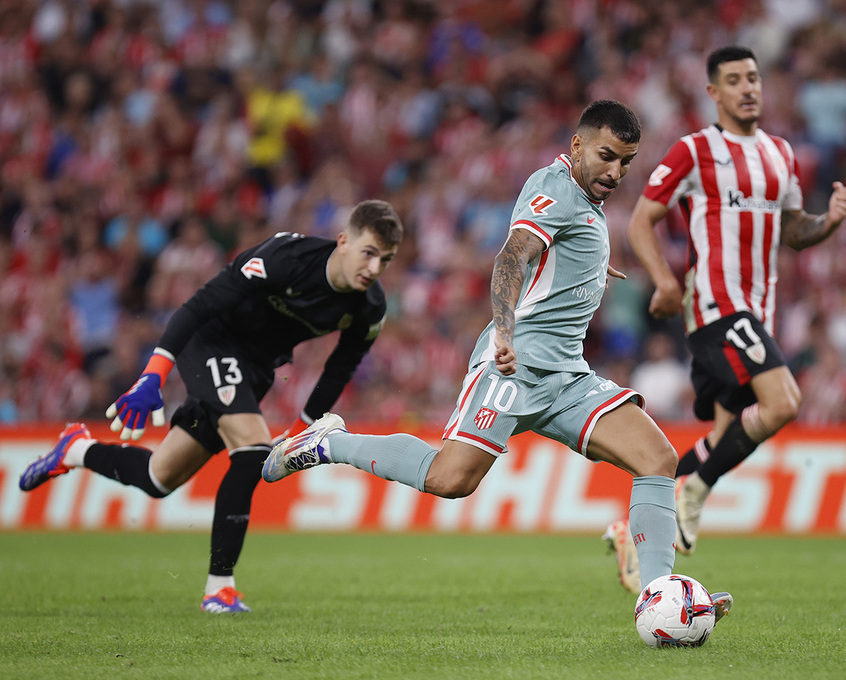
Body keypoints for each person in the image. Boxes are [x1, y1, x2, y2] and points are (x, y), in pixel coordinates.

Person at [261, 99, 733, 621]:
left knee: (658, 460)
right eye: (606, 156)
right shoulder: (554, 187)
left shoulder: (584, 204)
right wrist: (504, 332)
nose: (616, 171)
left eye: (626, 161)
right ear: (576, 144)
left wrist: (592, 267)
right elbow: (513, 254)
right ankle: (329, 442)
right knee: (450, 479)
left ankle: (662, 596)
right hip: (517, 365)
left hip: (566, 376)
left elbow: (554, 255)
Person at [19, 200, 404, 613]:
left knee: (159, 477)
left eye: (386, 260)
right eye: (369, 253)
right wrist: (153, 373)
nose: (375, 268)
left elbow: (339, 370)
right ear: (344, 241)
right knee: (253, 448)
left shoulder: (369, 308)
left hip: (254, 369)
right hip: (212, 341)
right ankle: (220, 587)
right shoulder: (284, 258)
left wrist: (300, 430)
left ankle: (74, 449)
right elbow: (199, 306)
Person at [604, 46, 846, 592]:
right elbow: (643, 220)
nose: (748, 88)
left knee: (723, 436)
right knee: (784, 401)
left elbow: (792, 231)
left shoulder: (781, 154)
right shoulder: (695, 151)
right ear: (714, 93)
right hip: (715, 306)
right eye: (735, 80)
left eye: (754, 78)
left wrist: (828, 222)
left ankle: (636, 528)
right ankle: (694, 494)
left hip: (758, 310)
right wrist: (666, 281)